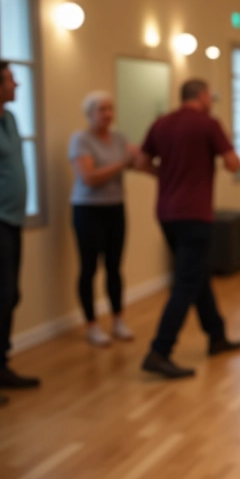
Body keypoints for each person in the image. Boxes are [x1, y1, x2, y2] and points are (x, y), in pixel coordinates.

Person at [136, 79, 240, 379]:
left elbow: (141, 162)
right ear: (202, 95)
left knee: (196, 274)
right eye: (211, 94)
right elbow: (234, 164)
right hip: (194, 214)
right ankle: (159, 350)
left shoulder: (161, 124)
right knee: (186, 281)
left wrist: (166, 173)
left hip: (166, 214)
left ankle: (217, 335)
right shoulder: (208, 124)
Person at [69, 91, 140, 347]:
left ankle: (118, 320)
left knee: (114, 267)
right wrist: (123, 162)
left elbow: (135, 162)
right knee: (89, 268)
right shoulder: (81, 139)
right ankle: (92, 324)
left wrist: (139, 155)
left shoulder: (119, 137)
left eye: (110, 108)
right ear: (90, 114)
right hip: (88, 210)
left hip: (115, 208)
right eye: (102, 109)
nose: (108, 114)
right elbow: (89, 177)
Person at [0, 60, 40, 408]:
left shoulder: (9, 119)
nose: (17, 84)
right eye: (11, 80)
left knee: (9, 296)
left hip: (12, 221)